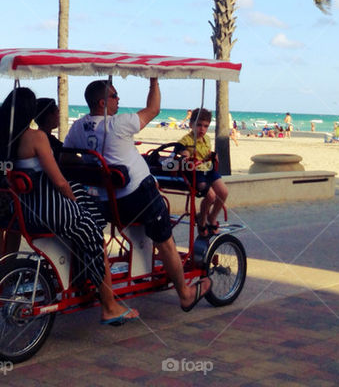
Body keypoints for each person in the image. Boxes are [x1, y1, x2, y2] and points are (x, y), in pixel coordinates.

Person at [0, 87, 136, 325]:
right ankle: (110, 306)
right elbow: (60, 182)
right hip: (48, 210)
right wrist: (74, 203)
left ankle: (81, 274)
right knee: (95, 235)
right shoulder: (36, 138)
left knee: (87, 209)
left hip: (21, 209)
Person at [64, 78, 211, 312]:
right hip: (137, 195)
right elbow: (153, 109)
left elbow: (68, 156)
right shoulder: (117, 124)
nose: (118, 99)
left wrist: (95, 167)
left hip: (105, 200)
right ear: (102, 102)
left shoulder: (78, 127)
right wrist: (154, 82)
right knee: (166, 241)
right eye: (114, 95)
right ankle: (185, 293)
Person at [178, 108, 229, 237]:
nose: (202, 129)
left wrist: (211, 155)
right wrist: (185, 153)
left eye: (205, 126)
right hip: (195, 172)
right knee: (211, 196)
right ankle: (202, 220)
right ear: (191, 125)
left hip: (208, 170)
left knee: (223, 192)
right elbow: (179, 147)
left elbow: (205, 154)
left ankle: (211, 217)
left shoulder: (206, 139)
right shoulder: (187, 139)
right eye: (199, 125)